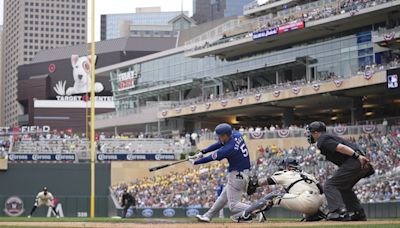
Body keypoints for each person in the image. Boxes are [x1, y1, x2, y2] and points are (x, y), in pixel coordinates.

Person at [306, 121, 375, 221]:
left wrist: (357, 156)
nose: (310, 135)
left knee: (330, 185)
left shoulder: (322, 140)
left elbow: (340, 148)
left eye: (311, 132)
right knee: (344, 188)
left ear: (316, 132)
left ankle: (338, 212)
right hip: (361, 164)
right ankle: (357, 213)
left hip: (355, 161)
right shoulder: (328, 137)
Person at [190, 123, 251, 223]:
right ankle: (208, 216)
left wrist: (195, 161)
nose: (218, 138)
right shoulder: (236, 135)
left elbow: (212, 157)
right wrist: (202, 152)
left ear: (225, 135)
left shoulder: (228, 149)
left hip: (237, 175)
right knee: (222, 198)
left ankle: (258, 209)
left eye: (219, 136)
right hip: (242, 173)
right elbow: (219, 144)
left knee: (234, 206)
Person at [235, 157, 325, 222]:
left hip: (306, 200)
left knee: (274, 195)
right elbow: (322, 190)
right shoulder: (308, 175)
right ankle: (313, 215)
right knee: (298, 197)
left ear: (288, 167)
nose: (282, 168)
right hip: (318, 203)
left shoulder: (285, 173)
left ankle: (245, 215)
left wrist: (251, 183)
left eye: (283, 166)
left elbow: (259, 182)